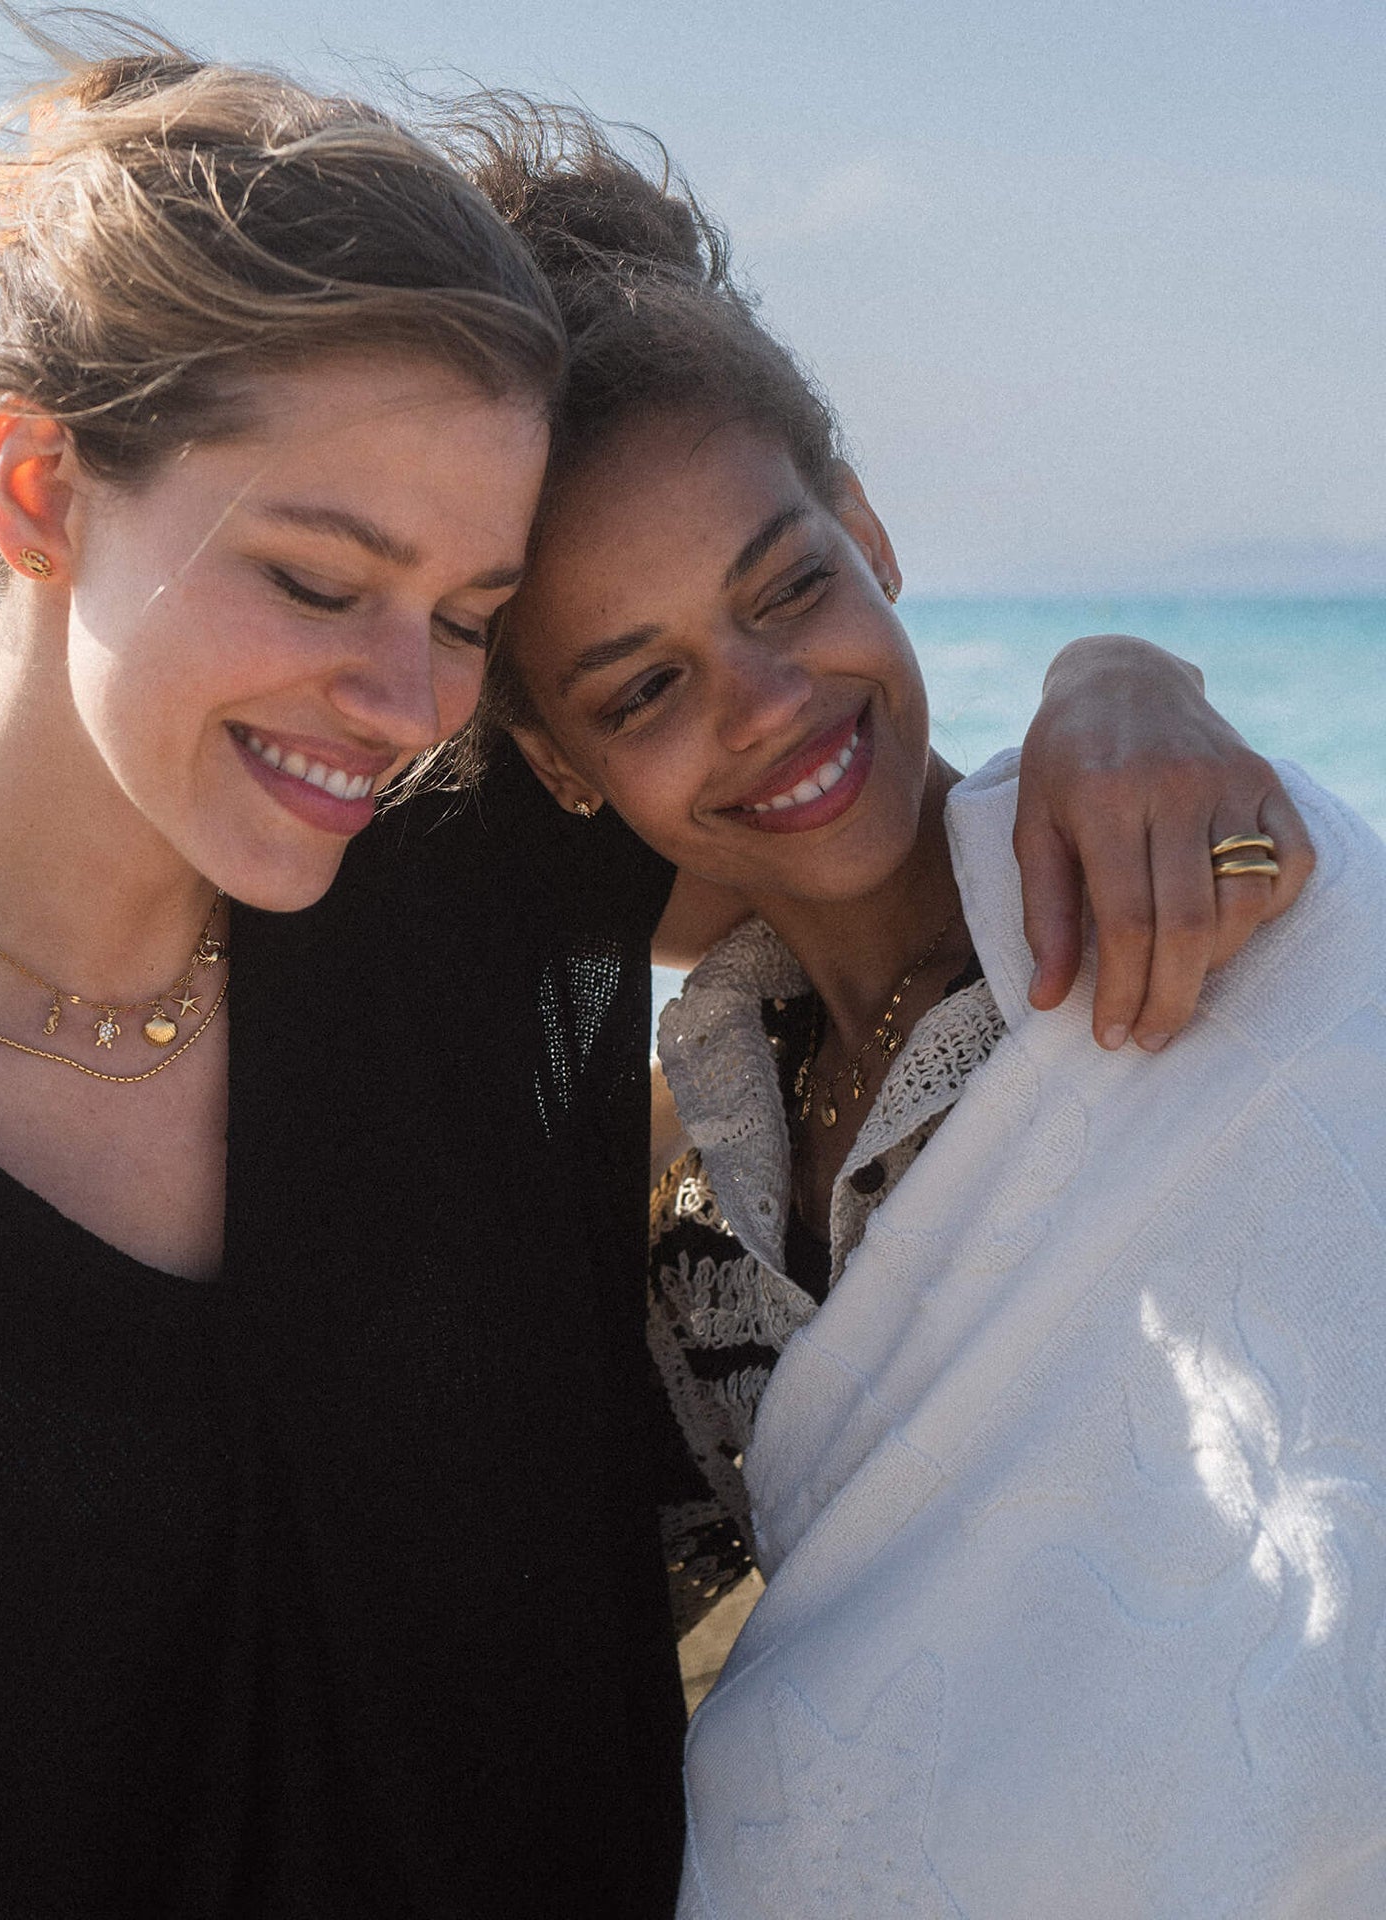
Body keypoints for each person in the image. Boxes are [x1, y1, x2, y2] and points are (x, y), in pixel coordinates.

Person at [0, 23, 1313, 1919]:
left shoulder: (470, 890)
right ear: (36, 489)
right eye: (318, 579)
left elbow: (881, 852)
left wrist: (1121, 686)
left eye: (468, 617)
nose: (406, 702)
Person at [480, 108, 1385, 1918]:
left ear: (870, 527)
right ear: (560, 763)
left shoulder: (1196, 856)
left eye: (789, 585)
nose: (765, 702)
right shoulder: (688, 1203)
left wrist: (1127, 670)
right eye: (645, 689)